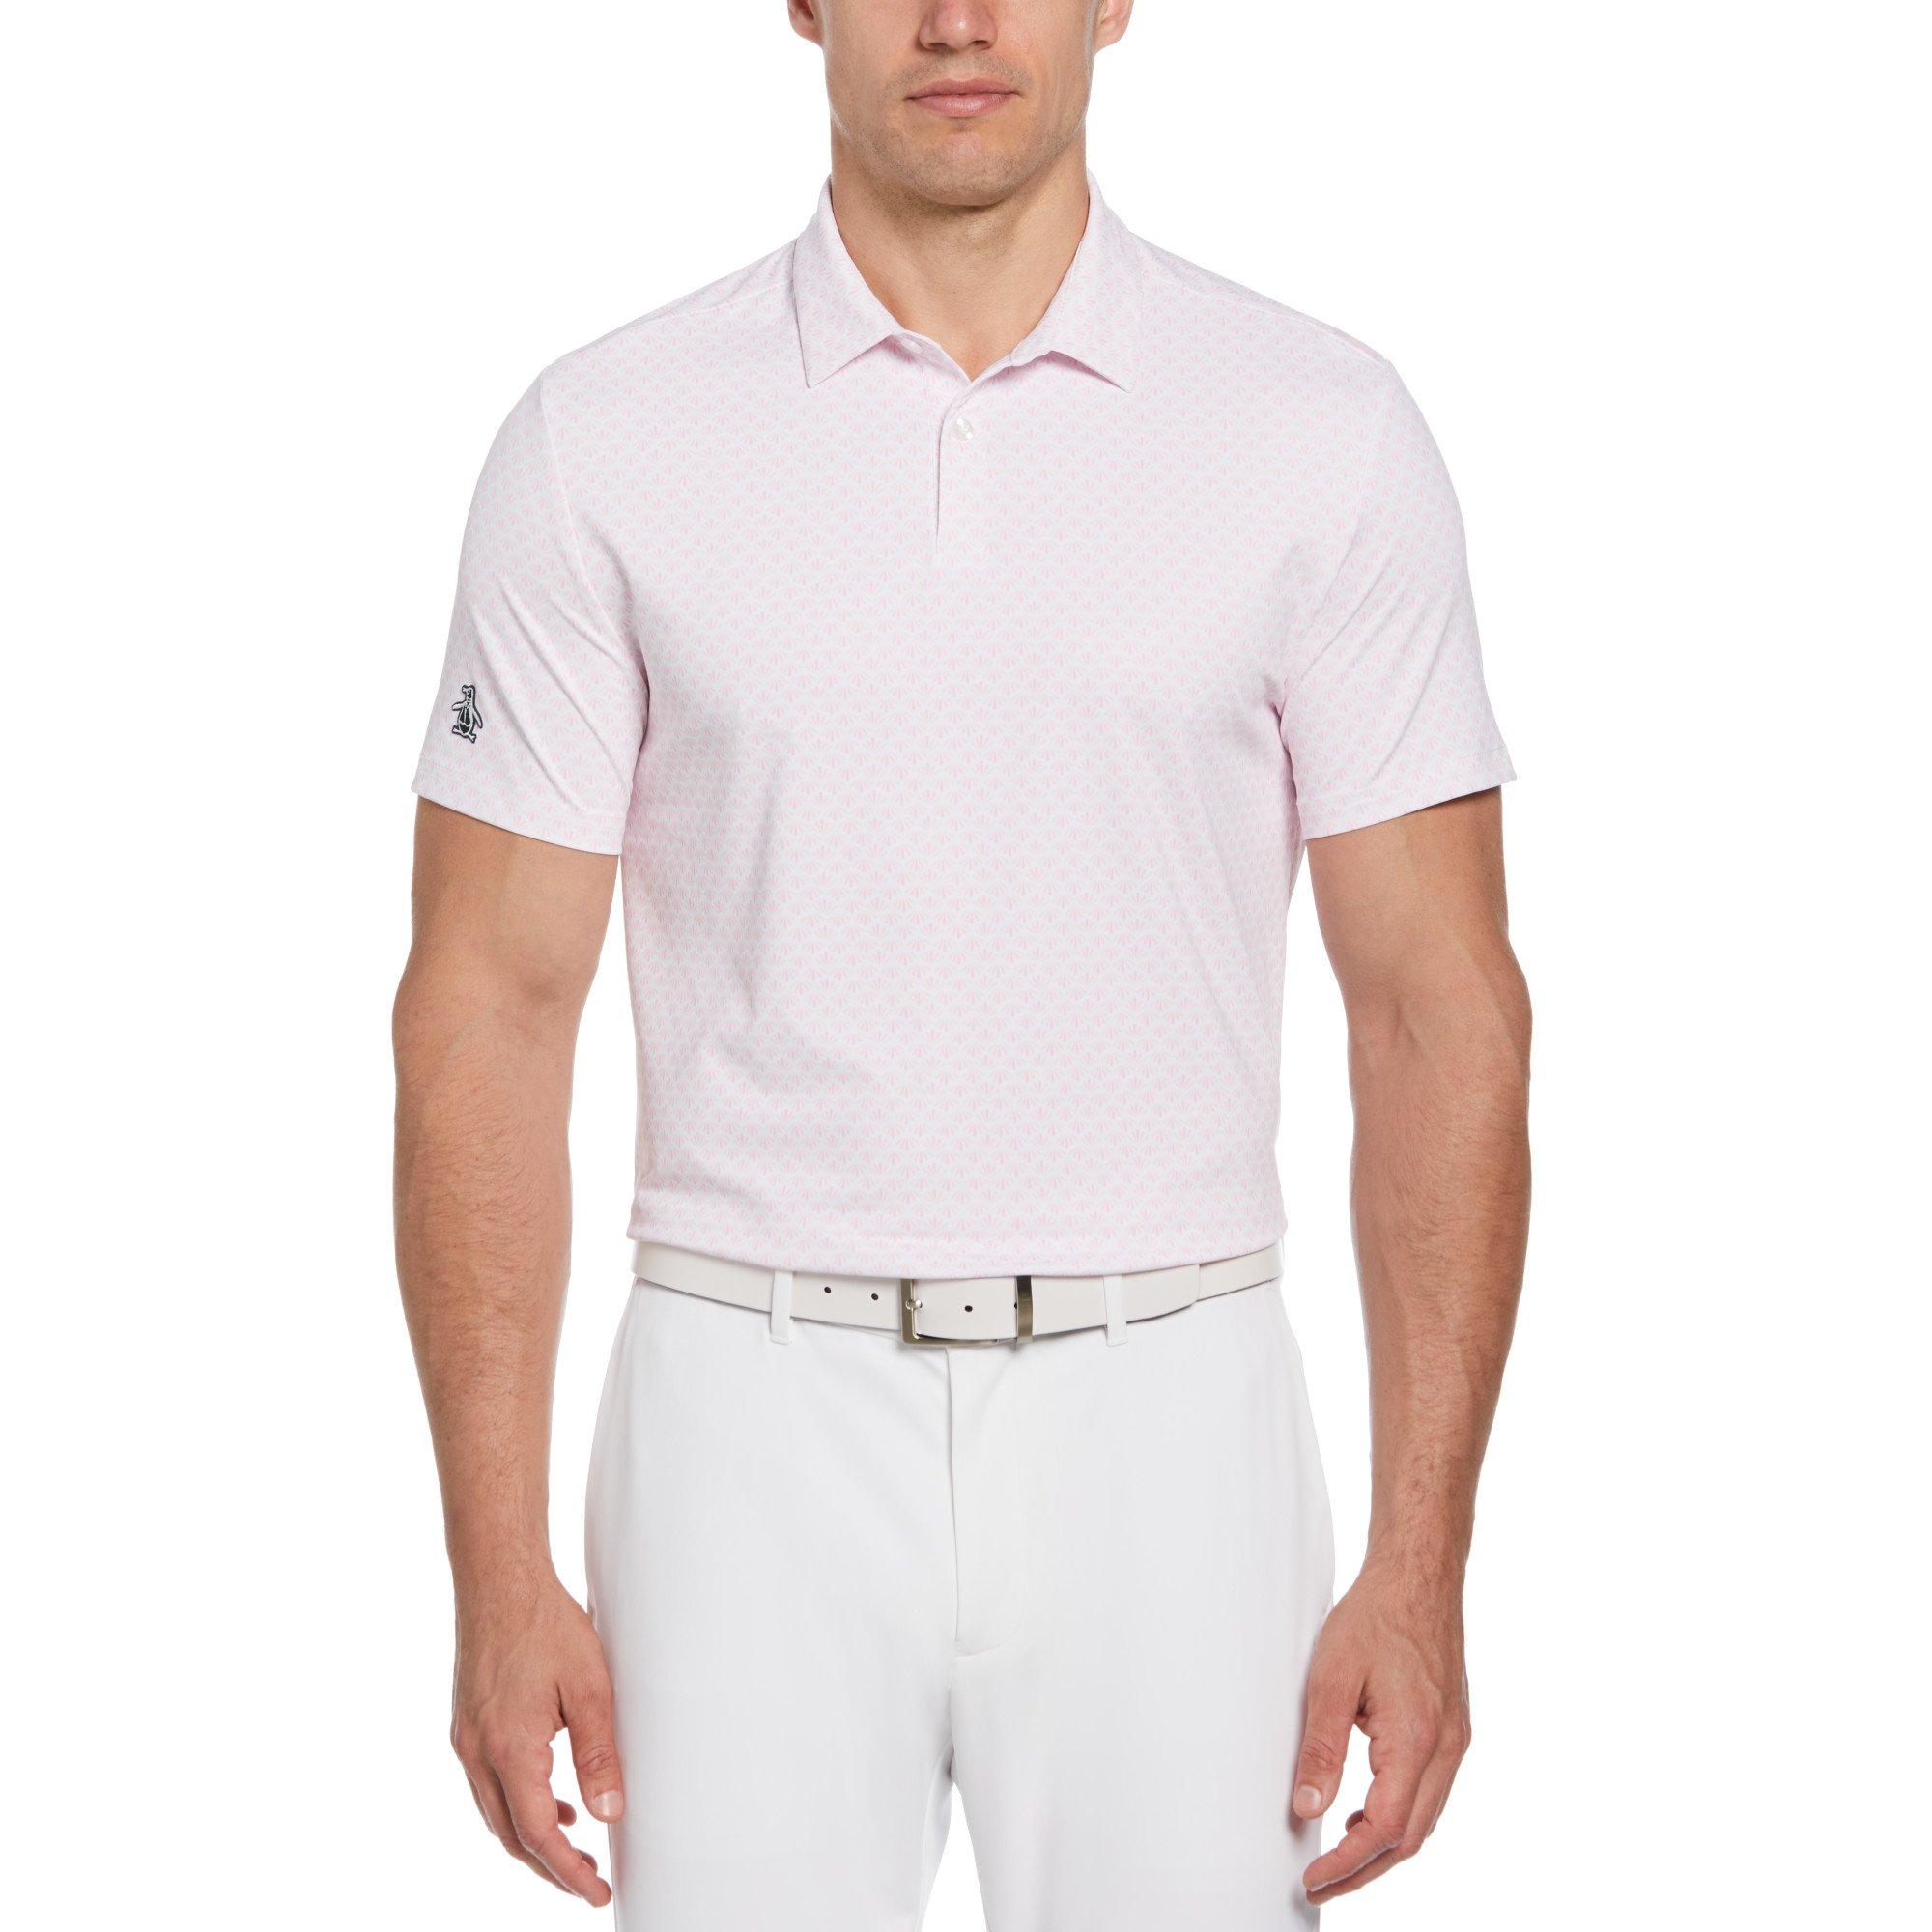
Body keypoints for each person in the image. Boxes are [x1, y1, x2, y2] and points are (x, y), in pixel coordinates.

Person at [393, 3, 1531, 1924]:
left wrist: (1421, 1567)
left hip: (1170, 1405)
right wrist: (497, 1577)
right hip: (744, 1405)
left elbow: (1440, 1010)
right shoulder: (606, 437)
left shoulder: (1316, 428)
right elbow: (483, 1011)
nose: (956, 18)